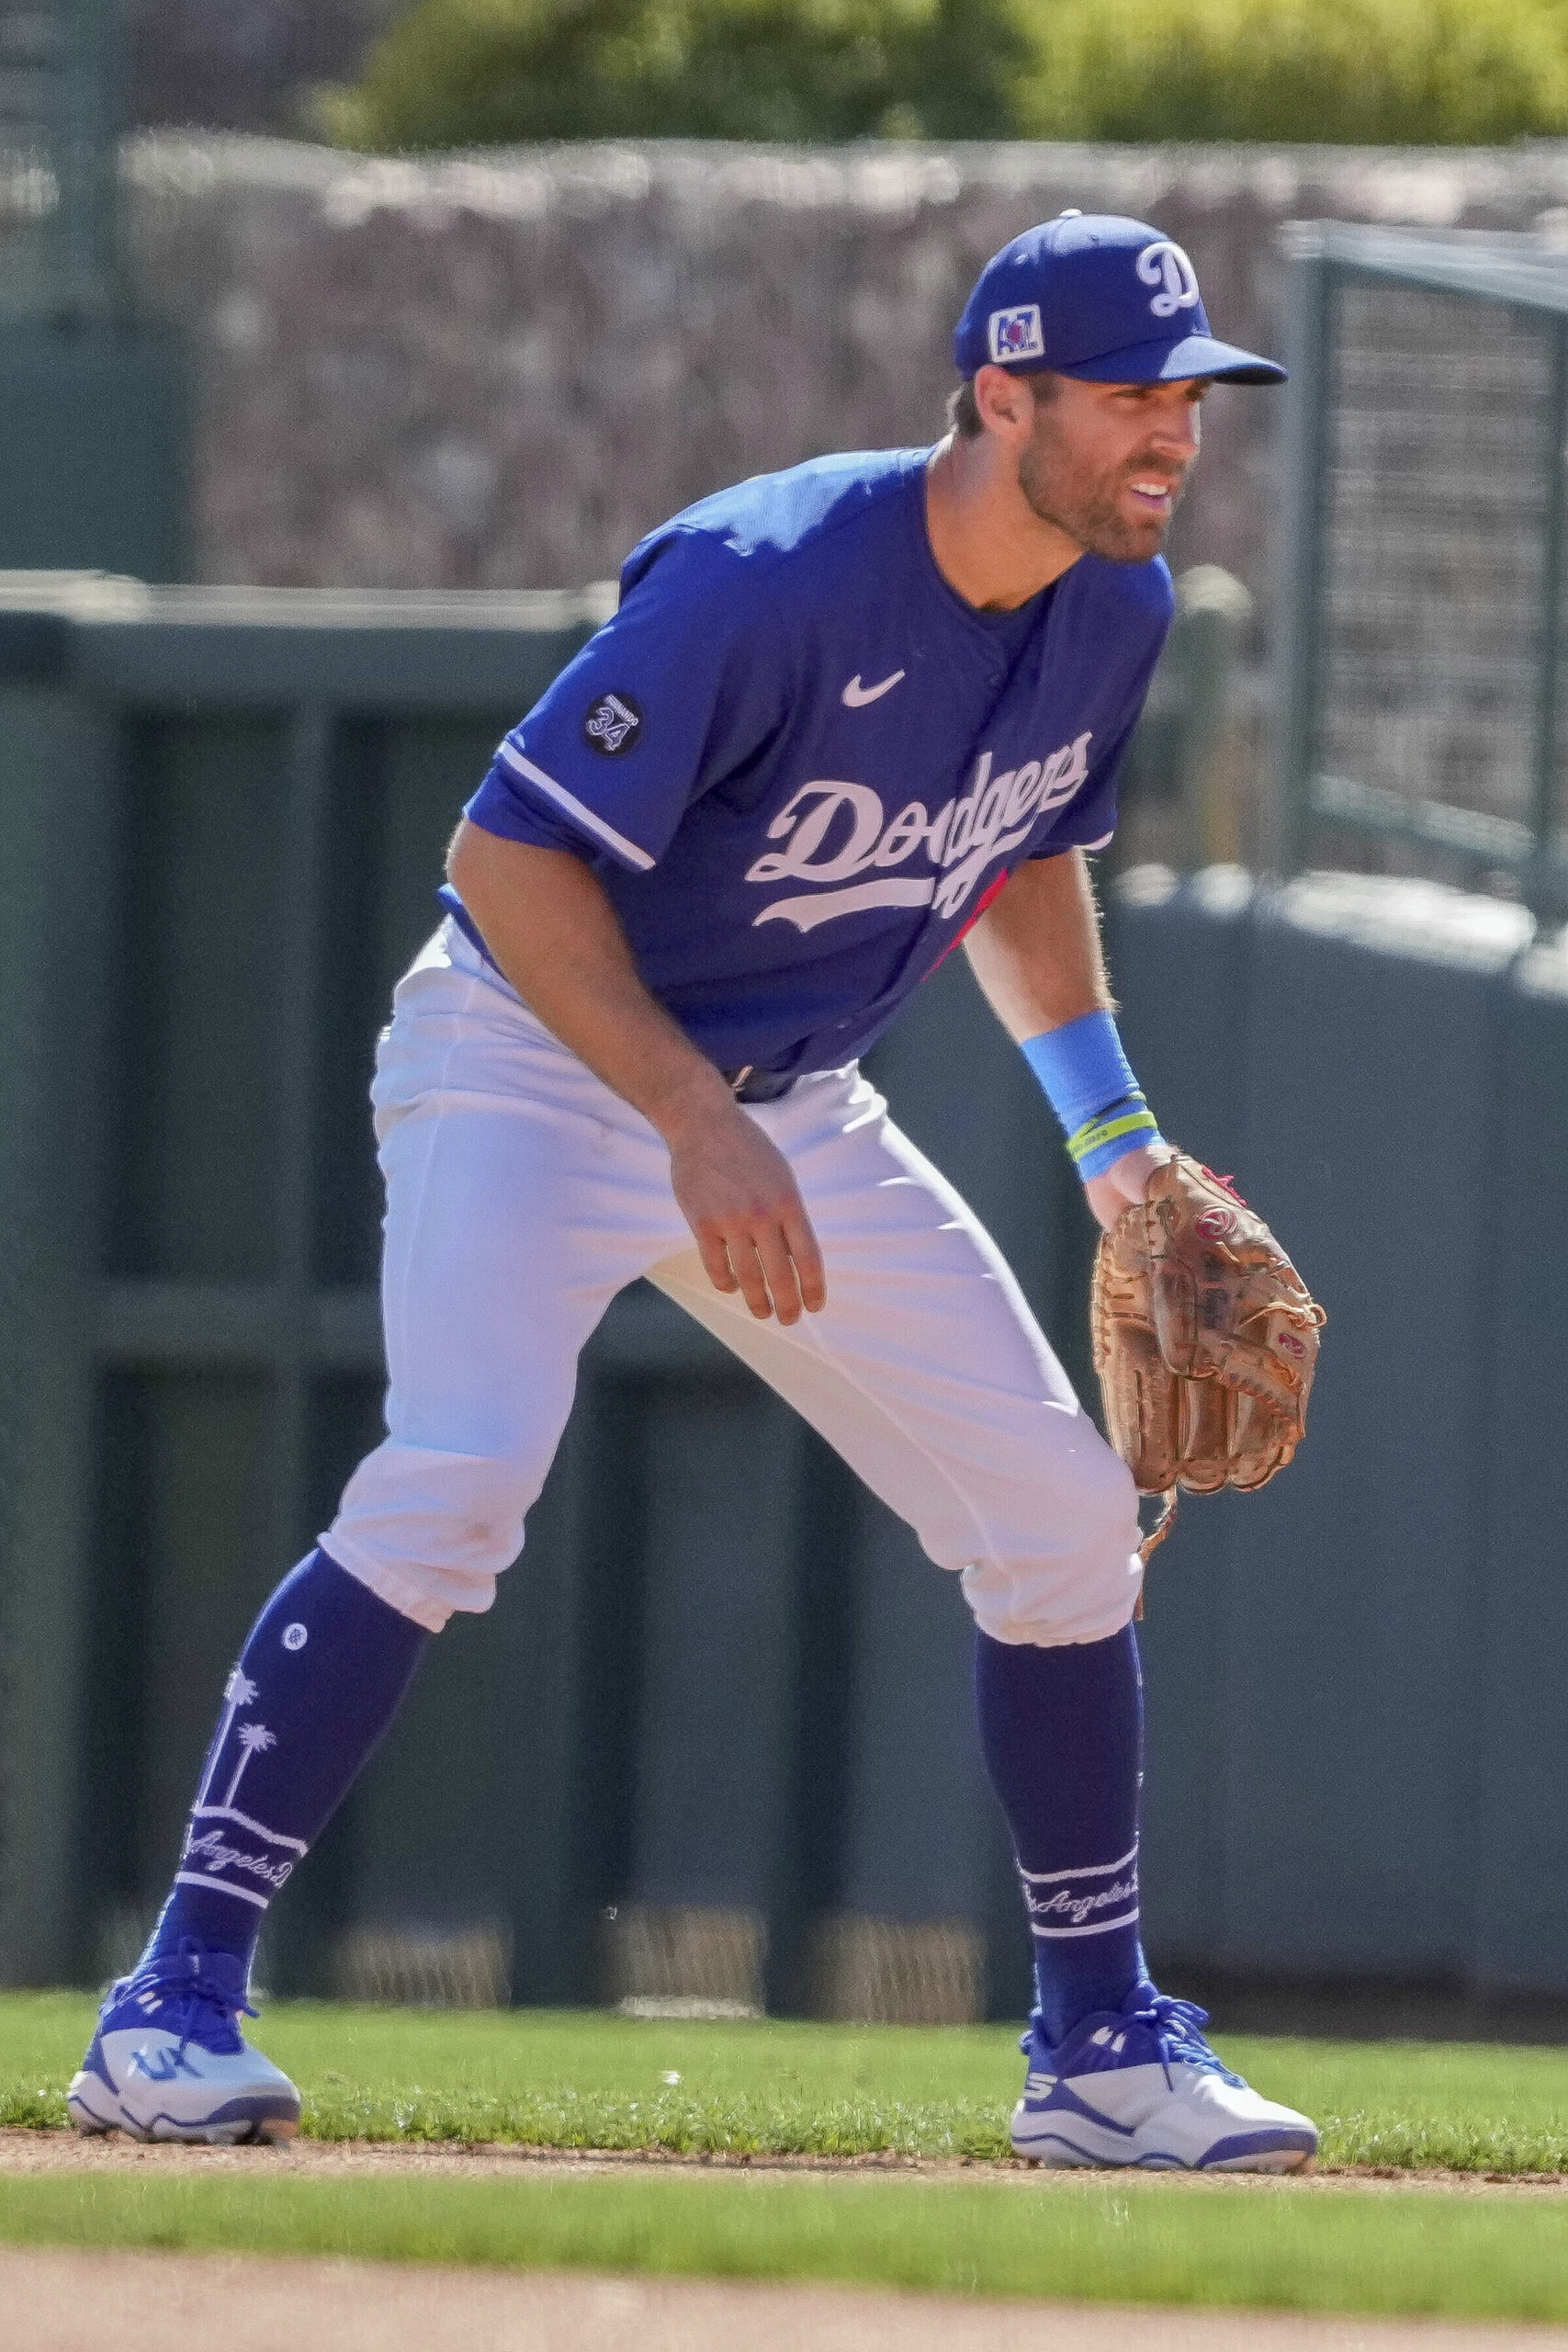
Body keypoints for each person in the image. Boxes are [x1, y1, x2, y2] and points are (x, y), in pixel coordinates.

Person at [70, 211, 1317, 2170]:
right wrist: (679, 1109)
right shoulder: (765, 575)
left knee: (1064, 1518)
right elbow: (505, 858)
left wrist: (1111, 1138)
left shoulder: (1111, 606)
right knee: (461, 1469)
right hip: (534, 1061)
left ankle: (1096, 2052)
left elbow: (1014, 847)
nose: (1171, 432)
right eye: (1130, 395)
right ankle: (171, 2003)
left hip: (790, 1099)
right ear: (1002, 395)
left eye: (1187, 396)